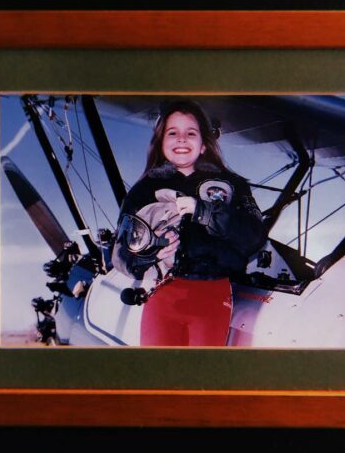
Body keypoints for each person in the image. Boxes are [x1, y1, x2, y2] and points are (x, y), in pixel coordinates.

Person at [112, 100, 267, 346]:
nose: (181, 139)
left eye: (191, 133)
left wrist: (204, 211)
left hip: (213, 295)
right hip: (162, 295)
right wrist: (151, 253)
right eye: (172, 133)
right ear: (161, 143)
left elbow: (255, 236)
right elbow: (120, 254)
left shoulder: (233, 186)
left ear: (204, 144)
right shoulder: (142, 192)